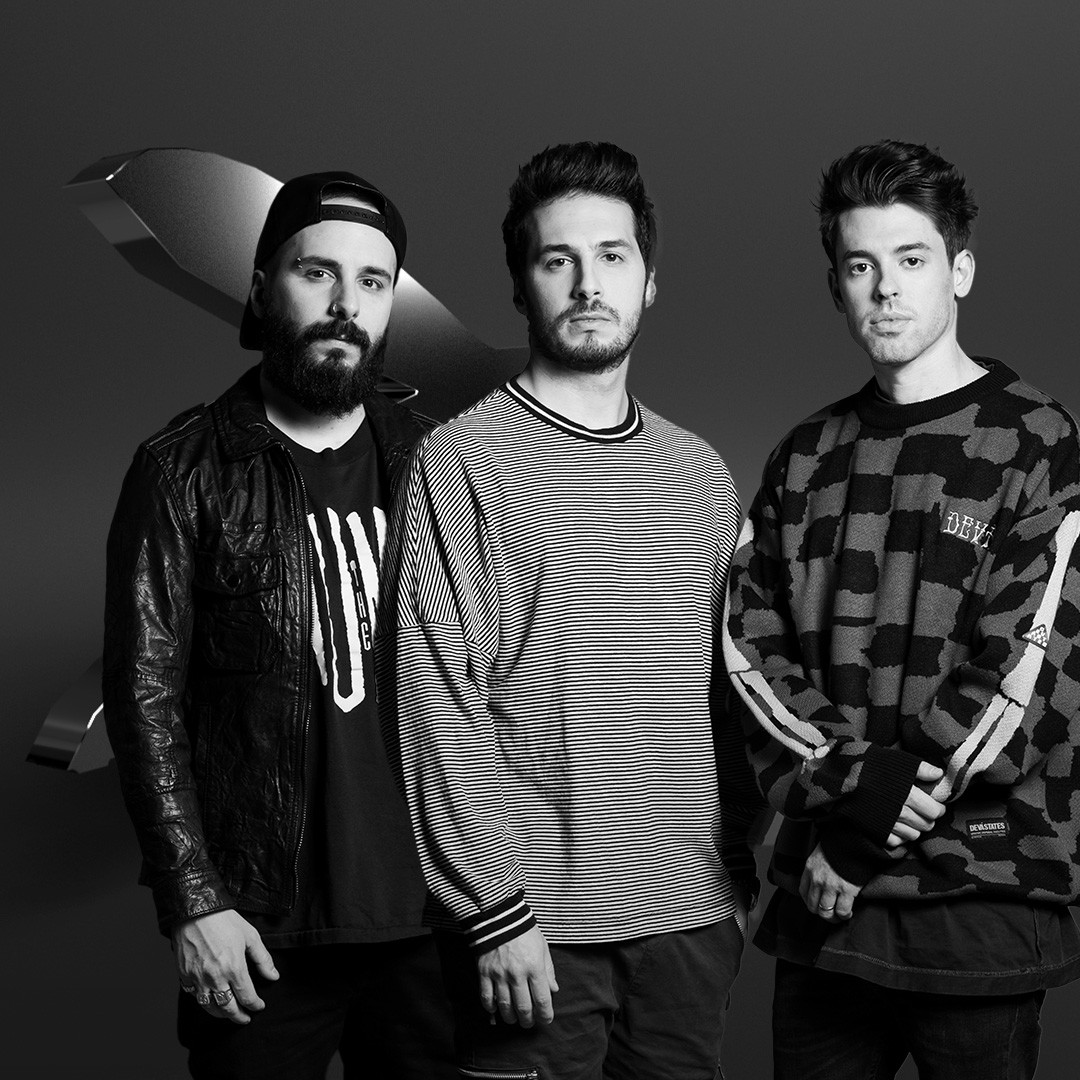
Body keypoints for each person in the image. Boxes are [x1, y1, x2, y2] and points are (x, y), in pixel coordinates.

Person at [376, 141, 762, 1080]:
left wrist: (740, 877)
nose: (589, 284)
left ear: (649, 282)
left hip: (692, 927)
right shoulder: (460, 461)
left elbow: (734, 693)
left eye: (613, 256)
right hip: (535, 939)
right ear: (522, 288)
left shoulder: (700, 473)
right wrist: (493, 912)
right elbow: (436, 699)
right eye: (559, 260)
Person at [723, 139, 1080, 1079]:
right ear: (836, 287)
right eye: (860, 266)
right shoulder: (803, 457)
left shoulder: (1037, 441)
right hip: (826, 919)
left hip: (981, 902)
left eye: (911, 259)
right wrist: (856, 796)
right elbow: (750, 657)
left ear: (960, 270)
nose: (885, 287)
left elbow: (1028, 672)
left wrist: (857, 833)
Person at [102, 171, 454, 1079]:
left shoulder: (439, 463)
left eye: (372, 282)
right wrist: (192, 902)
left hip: (435, 924)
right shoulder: (184, 470)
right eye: (317, 272)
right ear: (262, 289)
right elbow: (144, 702)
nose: (345, 306)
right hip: (256, 935)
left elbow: (501, 682)